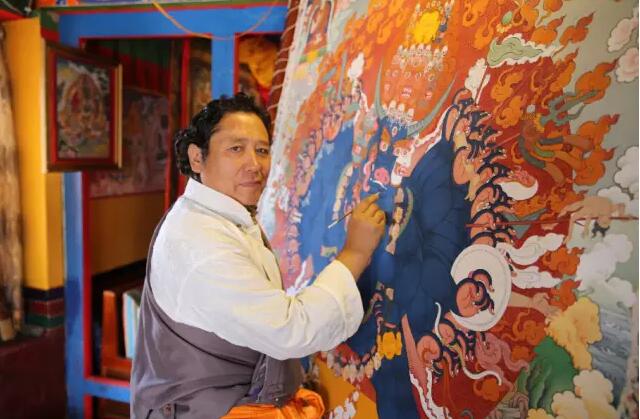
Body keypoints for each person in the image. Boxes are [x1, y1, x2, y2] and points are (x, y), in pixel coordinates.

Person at [131, 93, 386, 418]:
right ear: (197, 158)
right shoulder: (201, 242)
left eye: (262, 150)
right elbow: (290, 330)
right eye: (236, 149)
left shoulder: (218, 215)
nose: (254, 165)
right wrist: (355, 252)